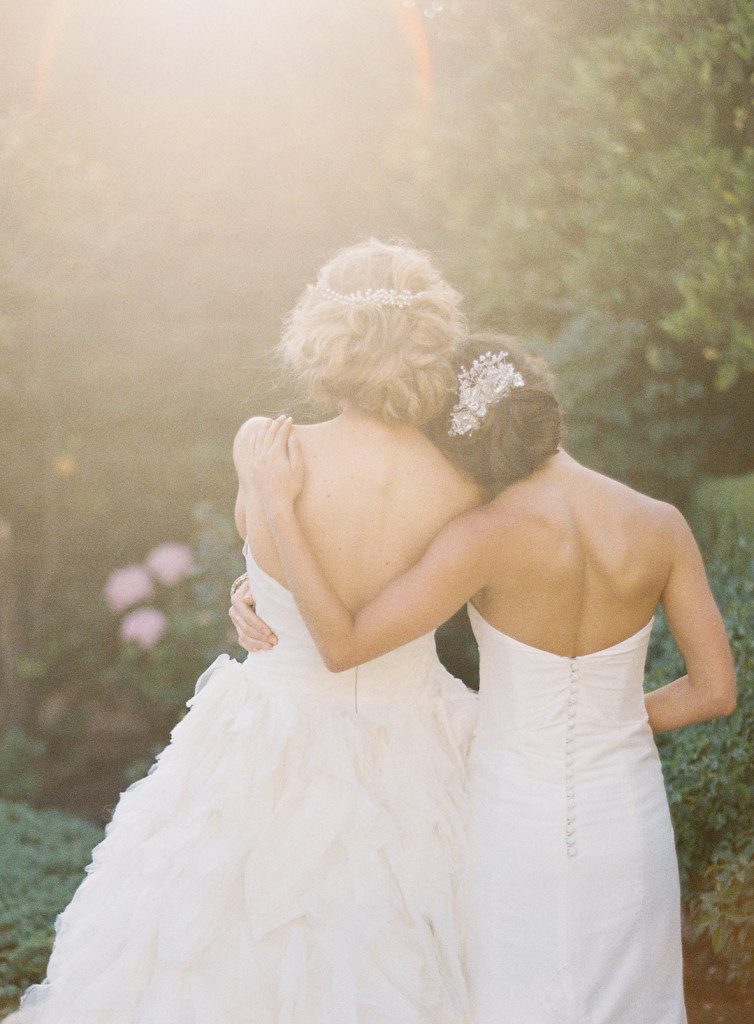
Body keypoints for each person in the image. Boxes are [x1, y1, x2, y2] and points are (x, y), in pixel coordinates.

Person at [11, 240, 485, 1024]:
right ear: (432, 338)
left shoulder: (266, 446)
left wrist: (256, 580)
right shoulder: (462, 479)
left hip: (271, 735)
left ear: (323, 336)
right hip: (420, 740)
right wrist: (256, 588)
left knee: (220, 945)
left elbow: (291, 575)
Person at [243, 334, 737, 1024]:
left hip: (514, 817)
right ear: (549, 406)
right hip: (628, 816)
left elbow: (342, 642)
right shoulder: (660, 524)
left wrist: (277, 517)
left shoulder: (482, 536)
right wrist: (609, 724)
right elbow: (715, 691)